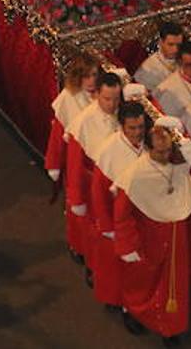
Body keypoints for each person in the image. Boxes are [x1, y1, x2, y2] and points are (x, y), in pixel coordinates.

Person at [112, 117, 191, 343]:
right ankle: (132, 309)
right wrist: (127, 245)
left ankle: (171, 327)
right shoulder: (135, 173)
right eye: (160, 152)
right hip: (147, 236)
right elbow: (122, 214)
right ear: (148, 148)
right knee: (143, 280)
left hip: (176, 235)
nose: (165, 157)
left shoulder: (179, 165)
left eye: (168, 151)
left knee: (175, 282)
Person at [88, 96, 148, 310]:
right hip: (116, 220)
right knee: (116, 269)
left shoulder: (149, 144)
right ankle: (119, 303)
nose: (137, 133)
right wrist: (107, 226)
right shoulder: (108, 151)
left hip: (142, 219)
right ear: (122, 126)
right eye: (132, 128)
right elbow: (98, 191)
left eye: (141, 127)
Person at [64, 71, 122, 271]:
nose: (112, 105)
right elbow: (74, 165)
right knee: (96, 233)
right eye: (107, 99)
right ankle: (93, 268)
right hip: (92, 187)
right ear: (96, 94)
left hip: (116, 184)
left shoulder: (121, 114)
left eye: (116, 99)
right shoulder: (82, 123)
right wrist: (77, 198)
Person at [43, 55, 97, 261]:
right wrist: (54, 164)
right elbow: (57, 136)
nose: (91, 81)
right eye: (86, 76)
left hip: (95, 164)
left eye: (94, 75)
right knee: (78, 209)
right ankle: (78, 246)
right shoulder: (68, 99)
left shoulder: (101, 96)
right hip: (77, 166)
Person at [133, 23, 184, 92]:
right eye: (170, 45)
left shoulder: (183, 56)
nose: (176, 49)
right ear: (160, 42)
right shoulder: (148, 69)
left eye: (179, 45)